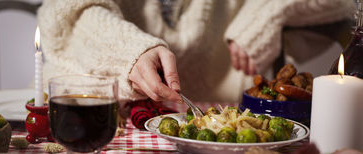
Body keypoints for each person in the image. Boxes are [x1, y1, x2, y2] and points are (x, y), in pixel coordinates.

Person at [38, 0, 354, 103]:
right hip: (101, 119)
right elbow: (65, 11)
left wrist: (268, 10)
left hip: (220, 130)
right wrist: (129, 53)